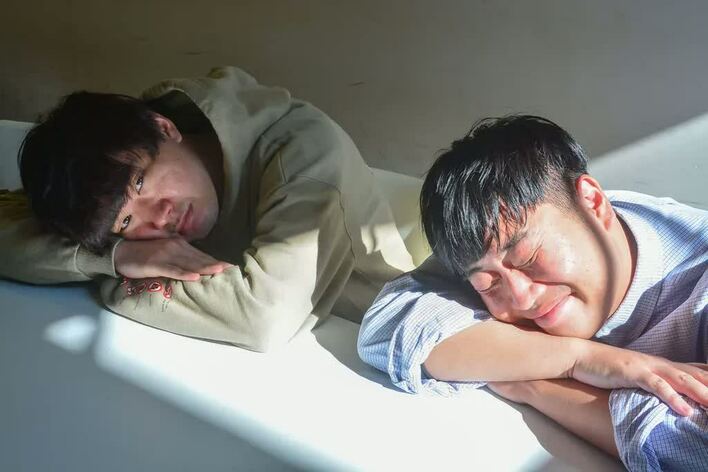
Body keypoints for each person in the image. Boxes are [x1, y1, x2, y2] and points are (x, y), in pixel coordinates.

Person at [358, 115, 707, 470]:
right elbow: (387, 325)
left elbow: (694, 448)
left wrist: (534, 385)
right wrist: (578, 359)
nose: (521, 298)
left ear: (593, 203)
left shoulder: (698, 282)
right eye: (487, 284)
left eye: (529, 258)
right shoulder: (497, 238)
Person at [0, 66, 415, 352]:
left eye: (141, 182)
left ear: (165, 127)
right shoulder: (117, 159)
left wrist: (110, 279)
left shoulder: (305, 155)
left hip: (369, 343)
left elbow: (263, 316)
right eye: (126, 220)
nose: (158, 216)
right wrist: (120, 255)